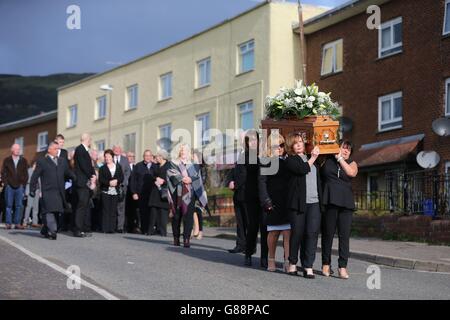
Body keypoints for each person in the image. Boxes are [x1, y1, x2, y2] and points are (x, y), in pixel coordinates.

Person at [285, 133, 322, 279]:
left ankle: (308, 266)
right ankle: (293, 263)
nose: (299, 144)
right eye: (296, 143)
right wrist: (313, 158)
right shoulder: (291, 160)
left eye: (301, 141)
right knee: (298, 234)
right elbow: (302, 169)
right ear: (291, 146)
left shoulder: (312, 159)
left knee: (312, 234)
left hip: (314, 203)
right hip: (298, 203)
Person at [321, 140, 358, 280]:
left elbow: (351, 173)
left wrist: (340, 158)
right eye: (344, 147)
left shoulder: (352, 163)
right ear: (338, 147)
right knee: (328, 234)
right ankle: (325, 264)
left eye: (349, 149)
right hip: (330, 201)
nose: (346, 150)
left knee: (344, 236)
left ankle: (342, 267)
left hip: (346, 203)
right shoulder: (327, 160)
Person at [29, 142, 76, 240]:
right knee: (49, 211)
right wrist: (32, 189)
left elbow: (67, 172)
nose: (57, 151)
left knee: (55, 212)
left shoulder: (62, 161)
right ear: (49, 150)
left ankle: (45, 229)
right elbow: (35, 176)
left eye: (58, 149)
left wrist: (76, 178)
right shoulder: (42, 161)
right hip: (47, 191)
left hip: (59, 192)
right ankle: (53, 231)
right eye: (55, 149)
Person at [258, 133, 291, 272]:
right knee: (273, 233)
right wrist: (266, 201)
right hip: (272, 201)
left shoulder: (288, 161)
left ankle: (287, 261)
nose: (280, 148)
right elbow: (262, 183)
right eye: (276, 145)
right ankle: (271, 259)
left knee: (288, 232)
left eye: (282, 145)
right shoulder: (265, 161)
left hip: (287, 201)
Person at [236, 130, 267, 268]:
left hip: (265, 196)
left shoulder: (265, 154)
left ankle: (265, 257)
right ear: (247, 143)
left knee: (265, 228)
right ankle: (248, 254)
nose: (254, 142)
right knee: (253, 227)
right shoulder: (245, 157)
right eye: (251, 140)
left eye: (255, 140)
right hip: (251, 197)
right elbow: (241, 177)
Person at [167, 143, 207, 248]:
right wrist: (183, 178)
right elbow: (171, 174)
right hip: (177, 193)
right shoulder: (173, 163)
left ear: (188, 151)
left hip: (190, 193)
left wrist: (191, 179)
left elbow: (197, 176)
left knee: (189, 216)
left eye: (185, 149)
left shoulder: (193, 164)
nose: (183, 151)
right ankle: (176, 237)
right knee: (177, 216)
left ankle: (186, 239)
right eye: (181, 149)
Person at [73, 133, 96, 237]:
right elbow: (84, 166)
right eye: (90, 139)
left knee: (84, 206)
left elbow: (89, 166)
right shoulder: (80, 149)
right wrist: (92, 176)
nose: (91, 141)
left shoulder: (84, 150)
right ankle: (78, 229)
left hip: (85, 182)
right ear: (87, 139)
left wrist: (93, 174)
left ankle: (82, 228)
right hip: (82, 183)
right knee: (81, 206)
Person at [130, 150, 158, 235]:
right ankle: (144, 229)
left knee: (152, 212)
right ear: (143, 156)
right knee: (143, 212)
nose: (148, 157)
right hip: (141, 193)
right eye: (146, 155)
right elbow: (133, 180)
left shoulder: (155, 166)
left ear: (152, 157)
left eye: (149, 155)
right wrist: (134, 192)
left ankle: (152, 229)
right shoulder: (138, 166)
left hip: (153, 193)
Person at [1, 144, 28, 229]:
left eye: (19, 149)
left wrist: (23, 184)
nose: (18, 150)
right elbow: (3, 173)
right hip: (9, 186)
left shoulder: (23, 160)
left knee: (19, 205)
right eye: (16, 149)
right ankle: (8, 223)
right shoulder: (7, 160)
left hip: (19, 186)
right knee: (8, 205)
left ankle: (17, 223)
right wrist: (6, 183)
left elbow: (25, 173)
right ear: (12, 150)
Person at [99, 149, 124, 233]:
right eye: (105, 157)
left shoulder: (118, 166)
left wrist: (116, 181)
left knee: (113, 210)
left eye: (108, 156)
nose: (107, 158)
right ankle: (105, 228)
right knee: (106, 210)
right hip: (105, 191)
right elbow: (101, 180)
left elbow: (121, 177)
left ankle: (112, 228)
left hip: (115, 191)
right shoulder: (102, 168)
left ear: (112, 157)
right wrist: (109, 183)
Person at [226, 166, 247, 254]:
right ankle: (240, 245)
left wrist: (235, 185)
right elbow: (231, 173)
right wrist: (230, 181)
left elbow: (244, 175)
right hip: (238, 195)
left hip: (248, 194)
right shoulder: (237, 160)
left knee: (249, 222)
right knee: (240, 222)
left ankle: (249, 247)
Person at [149, 150, 170, 237]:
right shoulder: (155, 166)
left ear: (161, 157)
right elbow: (151, 175)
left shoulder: (169, 166)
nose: (156, 158)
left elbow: (172, 178)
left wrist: (164, 181)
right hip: (155, 191)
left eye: (157, 156)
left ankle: (162, 231)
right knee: (153, 211)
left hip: (164, 192)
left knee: (163, 212)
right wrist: (156, 178)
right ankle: (151, 230)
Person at [112, 145, 131, 233]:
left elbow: (127, 172)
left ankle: (120, 227)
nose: (117, 150)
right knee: (112, 207)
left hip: (122, 187)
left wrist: (123, 181)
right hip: (111, 186)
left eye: (118, 149)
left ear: (121, 150)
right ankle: (112, 225)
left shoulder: (125, 159)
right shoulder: (110, 158)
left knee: (121, 207)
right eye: (115, 149)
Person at [125, 152, 140, 233]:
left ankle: (134, 227)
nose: (131, 158)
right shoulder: (124, 166)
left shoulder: (136, 167)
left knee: (135, 210)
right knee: (127, 210)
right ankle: (126, 226)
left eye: (133, 156)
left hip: (134, 192)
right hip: (126, 191)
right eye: (129, 156)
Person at [23, 162, 41, 228]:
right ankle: (25, 221)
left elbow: (40, 182)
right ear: (33, 165)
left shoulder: (39, 172)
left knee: (36, 207)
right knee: (29, 206)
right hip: (30, 190)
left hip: (37, 190)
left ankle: (35, 222)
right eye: (36, 165)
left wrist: (40, 191)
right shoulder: (29, 171)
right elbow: (26, 181)